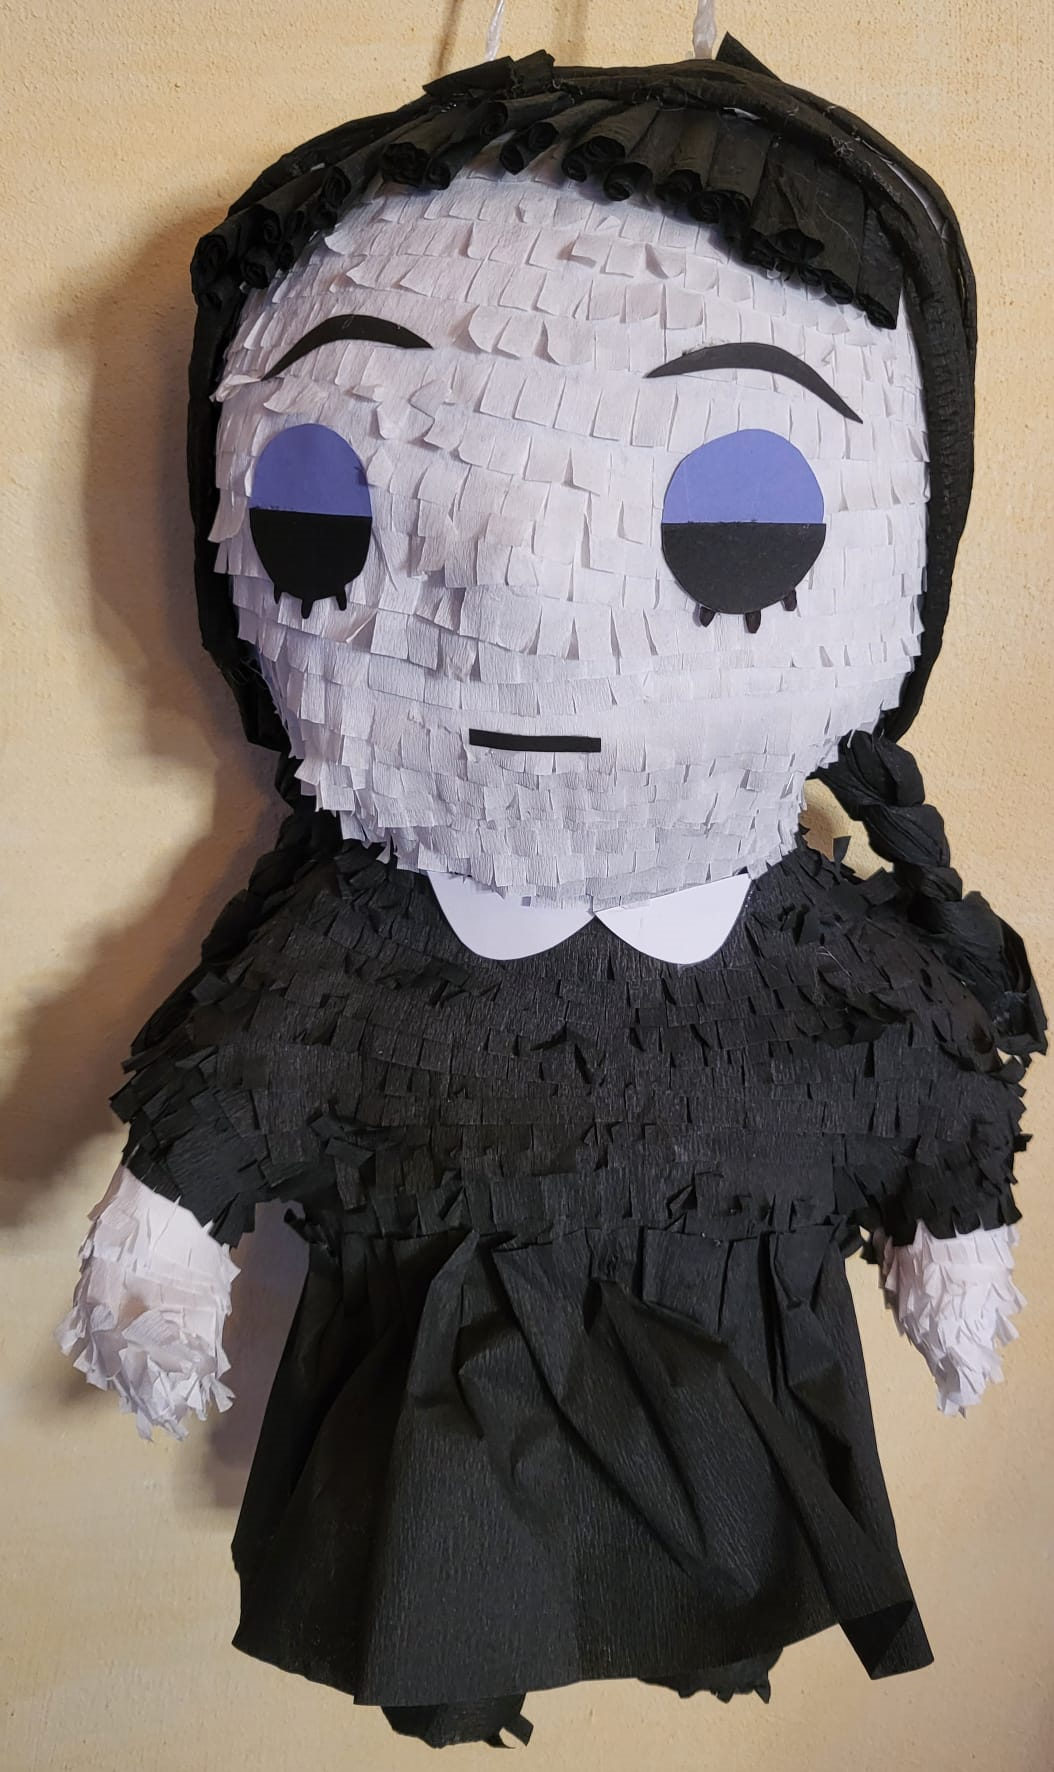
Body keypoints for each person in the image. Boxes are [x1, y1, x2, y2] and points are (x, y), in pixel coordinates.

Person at [59, 40, 1045, 1749]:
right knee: (446, 1575)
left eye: (740, 521)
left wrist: (953, 1235)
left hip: (735, 1406)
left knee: (692, 1565)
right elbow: (244, 1082)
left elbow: (922, 1075)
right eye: (325, 511)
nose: (515, 591)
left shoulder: (818, 942)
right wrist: (160, 1253)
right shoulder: (354, 945)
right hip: (425, 1416)